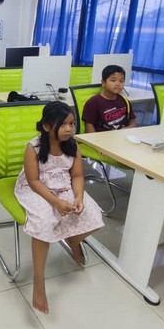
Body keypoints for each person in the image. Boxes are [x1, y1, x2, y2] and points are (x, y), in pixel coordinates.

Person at [14, 101, 104, 314]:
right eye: (63, 124)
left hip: (63, 184)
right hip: (36, 188)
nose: (69, 129)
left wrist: (79, 196)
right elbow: (34, 181)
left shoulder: (73, 146)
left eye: (72, 124)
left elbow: (77, 175)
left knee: (93, 214)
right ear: (46, 126)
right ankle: (39, 280)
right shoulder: (33, 148)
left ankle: (72, 240)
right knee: (46, 222)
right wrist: (55, 202)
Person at [82, 64, 137, 132]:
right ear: (103, 82)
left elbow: (133, 120)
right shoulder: (93, 102)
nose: (118, 84)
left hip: (121, 136)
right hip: (102, 137)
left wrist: (127, 129)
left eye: (121, 81)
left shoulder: (125, 101)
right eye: (113, 80)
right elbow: (89, 125)